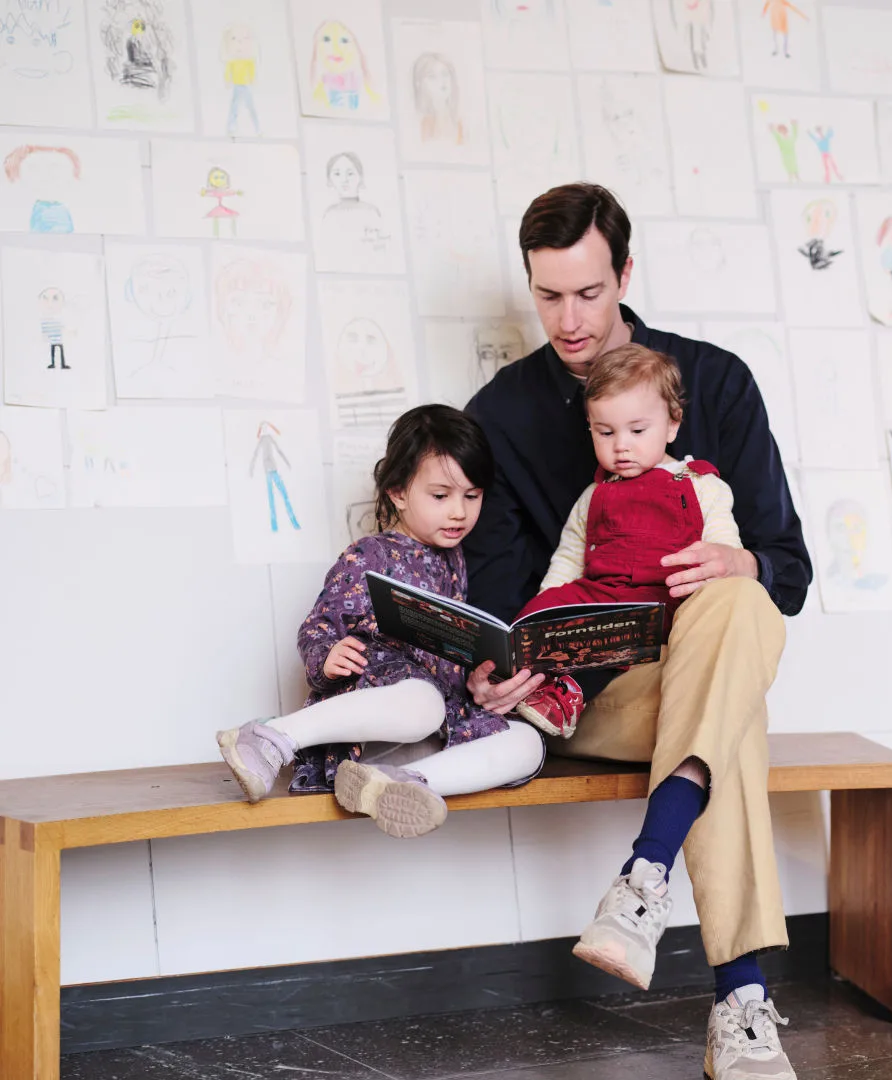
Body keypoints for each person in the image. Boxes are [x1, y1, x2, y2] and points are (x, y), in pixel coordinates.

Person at [463, 183, 811, 1080]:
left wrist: (740, 562)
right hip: (584, 697)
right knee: (732, 719)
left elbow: (789, 569)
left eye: (588, 292)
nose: (569, 320)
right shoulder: (497, 415)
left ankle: (642, 887)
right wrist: (496, 666)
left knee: (739, 603)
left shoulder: (716, 381)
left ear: (624, 274)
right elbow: (502, 599)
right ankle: (740, 1000)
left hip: (702, 662)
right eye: (547, 296)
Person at [217, 405, 545, 836]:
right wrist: (326, 656)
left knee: (528, 743)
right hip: (373, 724)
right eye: (441, 496)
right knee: (424, 703)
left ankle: (399, 784)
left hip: (417, 737)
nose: (459, 512)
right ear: (398, 492)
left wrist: (480, 677)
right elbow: (318, 625)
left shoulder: (455, 560)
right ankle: (273, 737)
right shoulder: (370, 554)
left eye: (472, 496)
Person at [513, 344, 741, 739]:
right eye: (605, 432)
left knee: (614, 636)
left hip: (659, 599)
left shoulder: (701, 485)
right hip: (600, 592)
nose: (621, 445)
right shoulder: (594, 494)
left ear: (672, 424)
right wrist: (548, 605)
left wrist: (717, 573)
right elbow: (569, 556)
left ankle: (568, 694)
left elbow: (723, 551)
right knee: (534, 618)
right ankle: (514, 682)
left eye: (637, 431)